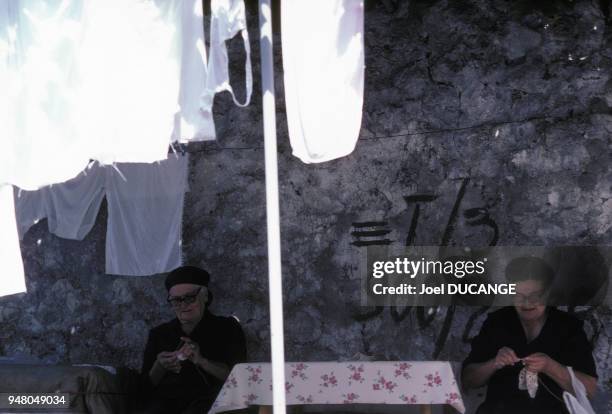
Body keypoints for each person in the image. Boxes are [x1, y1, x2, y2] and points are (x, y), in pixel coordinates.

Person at [462, 256, 598, 414]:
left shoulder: (568, 328)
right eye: (518, 295)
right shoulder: (497, 322)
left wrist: (550, 366)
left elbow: (589, 390)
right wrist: (493, 363)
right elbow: (468, 379)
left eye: (535, 296)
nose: (526, 303)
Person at [139, 265, 246, 414]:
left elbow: (240, 378)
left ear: (205, 297)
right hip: (166, 403)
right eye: (176, 300)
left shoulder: (227, 328)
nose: (183, 305)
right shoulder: (159, 334)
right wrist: (159, 365)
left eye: (189, 298)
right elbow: (144, 389)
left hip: (212, 402)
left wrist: (202, 361)